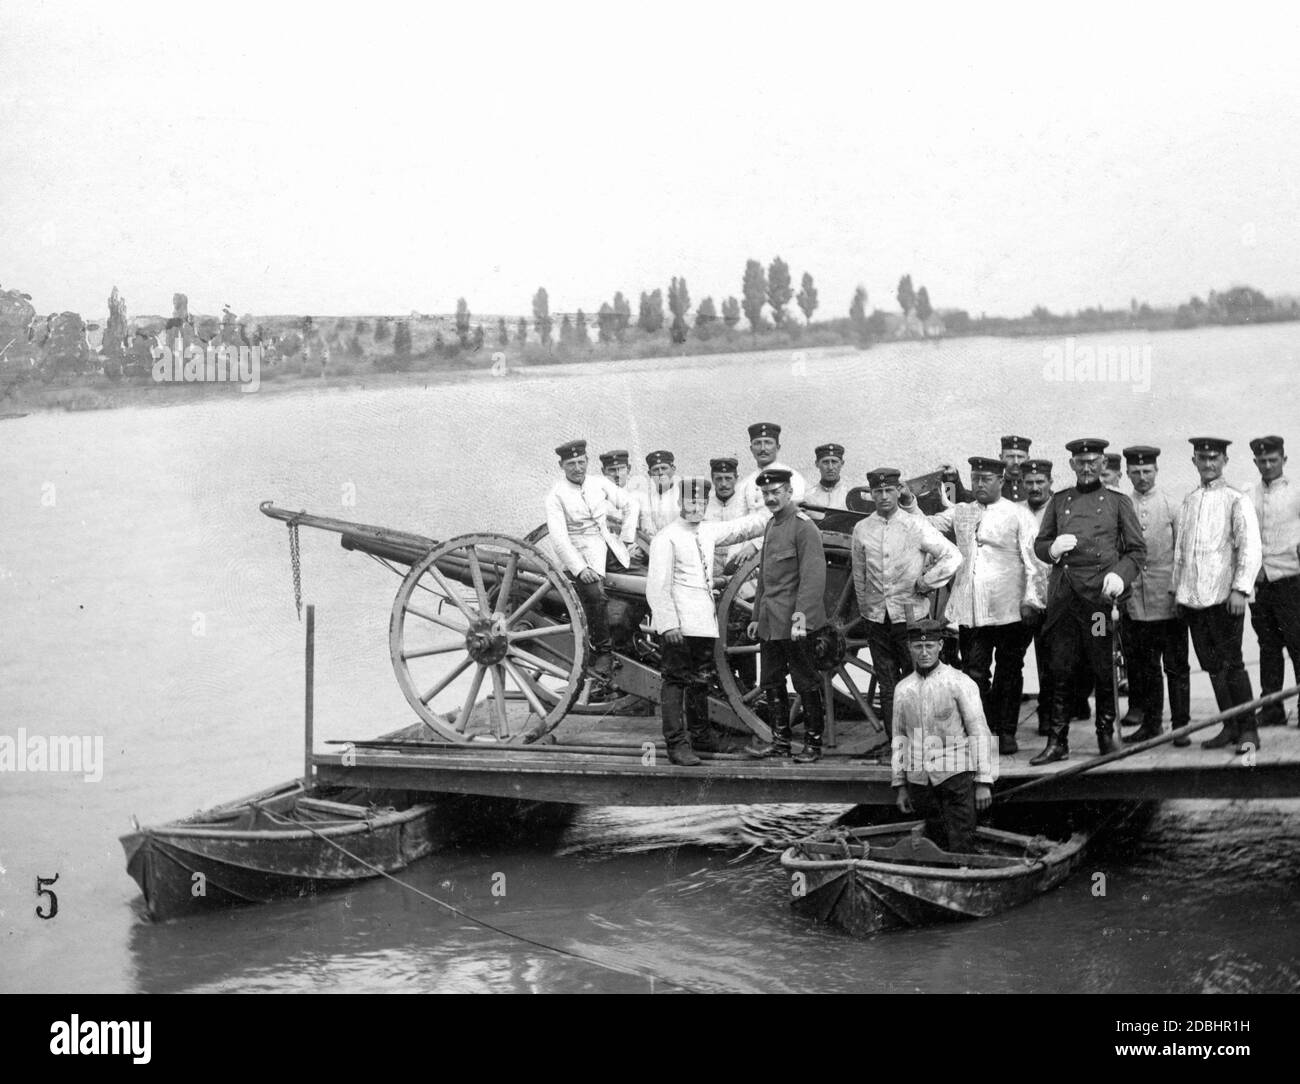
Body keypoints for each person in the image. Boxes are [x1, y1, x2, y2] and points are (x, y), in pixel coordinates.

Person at [1031, 438, 1146, 763]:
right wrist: (1051, 550)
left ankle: (1105, 734)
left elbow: (1137, 551)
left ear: (1102, 465)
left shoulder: (1117, 502)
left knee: (1102, 666)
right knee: (1060, 669)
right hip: (1066, 598)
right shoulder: (1059, 500)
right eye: (1080, 462)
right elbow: (1040, 544)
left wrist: (1120, 575)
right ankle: (1057, 741)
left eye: (1093, 462)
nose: (1086, 467)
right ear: (1071, 465)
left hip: (1097, 599)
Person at [919, 456, 1044, 756]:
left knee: (1009, 671)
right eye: (975, 479)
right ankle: (982, 732)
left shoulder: (1018, 514)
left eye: (986, 479)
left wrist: (1032, 600)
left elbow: (1034, 562)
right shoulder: (962, 512)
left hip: (1009, 609)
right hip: (970, 610)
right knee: (975, 673)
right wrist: (909, 504)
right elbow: (927, 525)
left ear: (1001, 481)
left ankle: (1007, 731)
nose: (979, 484)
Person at [646, 477, 770, 765]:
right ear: (680, 503)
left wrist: (780, 509)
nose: (697, 507)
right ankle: (676, 744)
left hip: (703, 622)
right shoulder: (665, 538)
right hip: (679, 625)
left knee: (701, 679)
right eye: (691, 502)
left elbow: (743, 528)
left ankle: (701, 738)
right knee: (675, 680)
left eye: (702, 502)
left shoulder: (707, 531)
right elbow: (657, 586)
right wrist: (668, 624)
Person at [854, 467, 962, 738]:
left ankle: (923, 740)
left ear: (897, 491)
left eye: (888, 490)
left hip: (911, 616)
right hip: (877, 617)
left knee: (916, 679)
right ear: (872, 494)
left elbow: (952, 556)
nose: (883, 497)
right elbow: (859, 575)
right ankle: (896, 743)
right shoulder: (862, 529)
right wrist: (866, 610)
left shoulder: (915, 525)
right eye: (877, 492)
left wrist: (928, 582)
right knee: (888, 684)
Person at [1172, 437, 1263, 755]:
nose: (1208, 463)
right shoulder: (1190, 500)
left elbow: (1250, 547)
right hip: (1194, 600)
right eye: (1202, 458)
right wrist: (1178, 591)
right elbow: (1181, 553)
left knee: (1232, 663)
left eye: (1214, 458)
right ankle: (1230, 725)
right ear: (1194, 460)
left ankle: (1249, 731)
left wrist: (1240, 589)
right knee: (1211, 665)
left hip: (1225, 600)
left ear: (1224, 460)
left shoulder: (1236, 499)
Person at [742, 469, 828, 763]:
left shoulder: (804, 527)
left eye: (776, 492)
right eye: (766, 494)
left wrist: (800, 620)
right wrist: (756, 616)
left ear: (789, 492)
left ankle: (813, 745)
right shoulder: (771, 526)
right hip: (771, 622)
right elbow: (765, 577)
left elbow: (813, 579)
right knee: (772, 681)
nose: (771, 498)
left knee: (805, 682)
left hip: (795, 622)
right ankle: (780, 743)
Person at [543, 439, 640, 699]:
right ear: (561, 465)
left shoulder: (599, 483)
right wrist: (579, 568)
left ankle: (631, 642)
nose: (577, 467)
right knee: (595, 593)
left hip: (609, 548)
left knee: (642, 583)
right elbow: (559, 540)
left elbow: (631, 505)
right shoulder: (556, 495)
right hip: (581, 555)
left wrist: (628, 541)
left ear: (587, 461)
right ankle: (603, 651)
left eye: (581, 462)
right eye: (571, 463)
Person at [891, 619, 997, 854]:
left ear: (940, 645)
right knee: (934, 843)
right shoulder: (903, 689)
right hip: (919, 781)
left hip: (956, 777)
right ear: (909, 648)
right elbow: (899, 738)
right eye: (918, 647)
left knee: (961, 841)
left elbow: (979, 731)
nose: (924, 652)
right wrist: (900, 785)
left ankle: (964, 875)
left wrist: (984, 782)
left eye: (930, 646)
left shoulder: (960, 682)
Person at [1119, 446, 1192, 746]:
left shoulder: (1172, 505)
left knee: (1176, 666)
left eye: (1147, 471)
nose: (1141, 477)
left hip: (1169, 597)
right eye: (1135, 472)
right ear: (1127, 474)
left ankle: (1181, 726)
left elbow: (1183, 553)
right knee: (1145, 668)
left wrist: (1179, 591)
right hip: (1137, 600)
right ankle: (1152, 724)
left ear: (1156, 471)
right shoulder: (1123, 507)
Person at [1246, 435, 1300, 729]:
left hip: (1292, 580)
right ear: (1255, 462)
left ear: (1284, 460)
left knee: (1298, 644)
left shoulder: (1296, 492)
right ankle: (1271, 707)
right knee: (1267, 646)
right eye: (1262, 461)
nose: (1267, 465)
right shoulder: (1249, 495)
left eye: (1273, 460)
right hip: (1261, 584)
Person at [740, 422, 806, 511]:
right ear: (751, 449)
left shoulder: (793, 477)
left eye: (768, 443)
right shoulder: (746, 482)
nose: (763, 448)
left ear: (778, 447)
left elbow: (790, 514)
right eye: (757, 443)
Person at [637, 450, 680, 539]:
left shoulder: (683, 495)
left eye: (664, 468)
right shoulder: (646, 499)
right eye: (656, 469)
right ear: (650, 474)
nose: (660, 473)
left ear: (673, 469)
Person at [803, 442, 851, 510]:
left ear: (842, 463)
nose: (830, 467)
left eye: (834, 462)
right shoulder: (808, 497)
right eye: (825, 462)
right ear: (817, 464)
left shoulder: (849, 495)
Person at [999, 435, 1032, 503]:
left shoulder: (1036, 490)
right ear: (1001, 458)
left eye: (1020, 457)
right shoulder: (993, 489)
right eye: (1010, 457)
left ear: (1028, 460)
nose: (1015, 462)